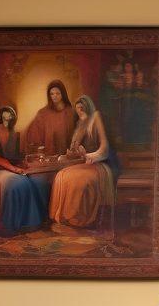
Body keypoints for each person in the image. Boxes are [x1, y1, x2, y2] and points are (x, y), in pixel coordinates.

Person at [49, 95, 119, 229]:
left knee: (79, 180)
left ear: (88, 106)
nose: (80, 111)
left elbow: (104, 148)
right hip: (84, 162)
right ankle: (64, 217)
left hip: (100, 162)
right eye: (77, 109)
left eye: (82, 108)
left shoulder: (96, 116)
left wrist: (89, 155)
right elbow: (77, 151)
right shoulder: (80, 124)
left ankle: (78, 218)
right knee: (61, 175)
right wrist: (72, 154)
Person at [0, 106, 49, 236]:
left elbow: (17, 155)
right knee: (20, 184)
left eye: (9, 118)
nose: (6, 121)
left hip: (12, 166)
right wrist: (14, 169)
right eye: (4, 118)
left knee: (39, 181)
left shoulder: (15, 133)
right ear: (1, 118)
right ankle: (13, 224)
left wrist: (24, 164)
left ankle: (33, 223)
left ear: (13, 119)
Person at [25, 79, 76, 156]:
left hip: (68, 155)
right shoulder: (43, 113)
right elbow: (34, 134)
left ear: (63, 94)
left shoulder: (70, 111)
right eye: (52, 94)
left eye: (57, 93)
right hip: (49, 156)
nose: (54, 96)